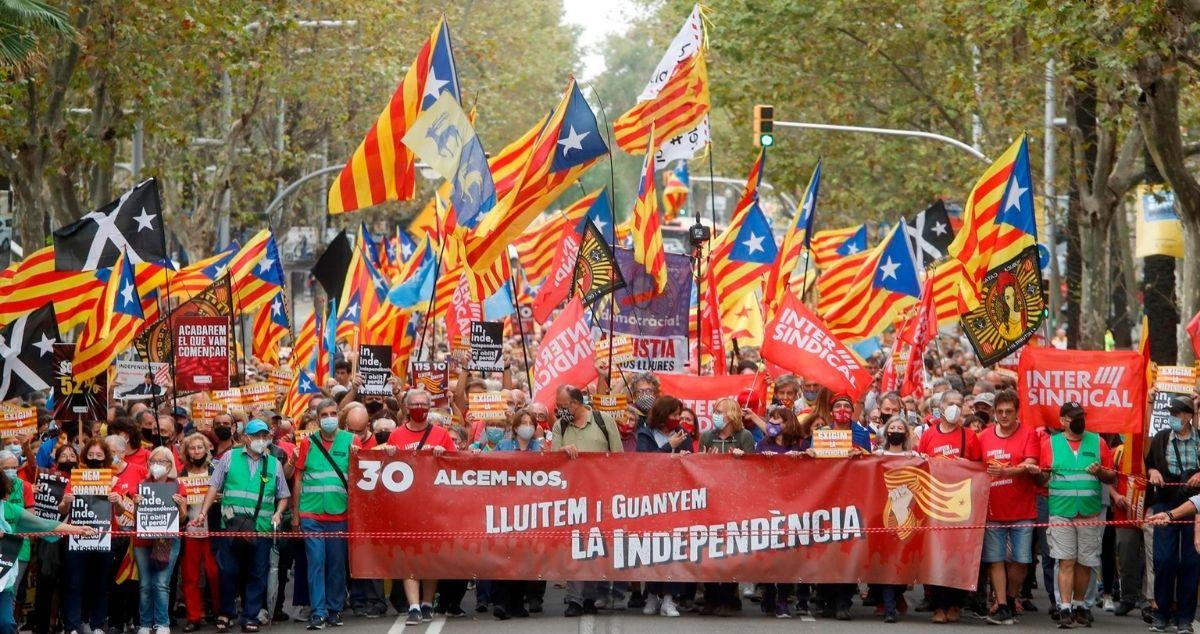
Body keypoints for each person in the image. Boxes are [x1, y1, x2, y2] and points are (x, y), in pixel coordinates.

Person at [192, 419, 290, 633]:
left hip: (261, 528)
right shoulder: (229, 457)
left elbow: (283, 496)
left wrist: (278, 512)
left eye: (264, 436)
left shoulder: (273, 463)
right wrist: (203, 513)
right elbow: (214, 486)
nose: (261, 440)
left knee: (257, 573)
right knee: (228, 572)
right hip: (232, 527)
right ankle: (226, 613)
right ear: (246, 437)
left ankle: (250, 616)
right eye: (256, 436)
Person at [1038, 402, 1117, 628]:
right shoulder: (1050, 444)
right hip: (1061, 511)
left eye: (1081, 416)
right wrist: (1038, 474)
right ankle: (1065, 608)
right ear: (1062, 420)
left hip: (1089, 512)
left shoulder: (1098, 442)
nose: (1078, 420)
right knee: (1066, 560)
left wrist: (1100, 471)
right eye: (1073, 417)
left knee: (1086, 562)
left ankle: (1080, 605)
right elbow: (1042, 479)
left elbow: (1112, 476)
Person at [385, 389, 455, 626]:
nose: (419, 407)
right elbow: (387, 471)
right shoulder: (396, 435)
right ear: (406, 407)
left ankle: (427, 603)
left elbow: (456, 467)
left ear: (430, 406)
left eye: (423, 404)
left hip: (434, 507)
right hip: (406, 507)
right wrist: (389, 455)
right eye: (414, 403)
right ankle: (413, 606)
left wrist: (443, 455)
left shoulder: (441, 434)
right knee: (409, 558)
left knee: (430, 559)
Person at [0, 464, 95, 634]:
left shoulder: (10, 510)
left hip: (3, 580)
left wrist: (78, 529)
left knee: (6, 624)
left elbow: (44, 524)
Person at [555, 385, 622, 617]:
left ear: (576, 403)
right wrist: (563, 450)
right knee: (575, 546)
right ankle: (574, 599)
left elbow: (619, 458)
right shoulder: (560, 425)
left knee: (595, 546)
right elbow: (551, 461)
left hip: (600, 496)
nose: (559, 411)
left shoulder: (604, 421)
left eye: (563, 406)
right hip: (571, 497)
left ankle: (590, 598)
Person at [975, 389, 1040, 626]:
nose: (1004, 416)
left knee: (1022, 560)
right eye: (1000, 411)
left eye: (1008, 412)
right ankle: (1002, 604)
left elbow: (1031, 464)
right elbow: (973, 465)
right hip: (993, 509)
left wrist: (1005, 471)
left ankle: (1011, 598)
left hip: (1023, 509)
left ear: (1017, 412)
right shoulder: (983, 436)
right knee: (996, 559)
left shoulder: (1029, 434)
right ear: (994, 412)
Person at [294, 402, 355, 630]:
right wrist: (295, 515)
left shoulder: (351, 441)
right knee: (316, 563)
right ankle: (318, 612)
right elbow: (298, 478)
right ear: (318, 419)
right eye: (324, 415)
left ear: (338, 416)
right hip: (311, 514)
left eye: (332, 414)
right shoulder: (307, 442)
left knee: (337, 565)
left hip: (339, 514)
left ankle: (334, 609)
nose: (329, 418)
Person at [1143, 395, 1200, 632]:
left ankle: (1185, 617)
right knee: (1164, 559)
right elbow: (1149, 462)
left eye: (1177, 413)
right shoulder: (1162, 437)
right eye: (1171, 413)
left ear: (1188, 416)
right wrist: (1154, 471)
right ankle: (1161, 612)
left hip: (1194, 506)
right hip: (1165, 503)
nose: (1172, 417)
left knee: (1191, 561)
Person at [633, 396, 690, 618]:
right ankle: (652, 595)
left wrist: (685, 456)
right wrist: (669, 447)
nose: (677, 419)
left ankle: (669, 599)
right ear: (662, 415)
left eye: (679, 415)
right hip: (650, 501)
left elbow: (690, 464)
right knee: (653, 548)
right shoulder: (646, 435)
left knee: (674, 549)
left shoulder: (683, 435)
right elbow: (644, 463)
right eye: (673, 415)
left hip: (676, 500)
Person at [133, 446, 188, 634]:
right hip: (143, 541)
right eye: (153, 461)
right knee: (145, 584)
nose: (157, 465)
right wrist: (136, 505)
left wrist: (181, 506)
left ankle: (162, 623)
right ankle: (146, 624)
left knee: (161, 583)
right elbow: (136, 519)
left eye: (162, 461)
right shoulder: (142, 484)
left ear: (170, 465)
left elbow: (182, 519)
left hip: (168, 540)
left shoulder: (177, 485)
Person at [874, 416, 916, 622]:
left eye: (900, 428)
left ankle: (897, 596)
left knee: (902, 560)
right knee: (887, 560)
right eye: (893, 427)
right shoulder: (878, 455)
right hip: (883, 514)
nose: (896, 430)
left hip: (907, 514)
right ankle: (889, 606)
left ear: (906, 433)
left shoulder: (914, 456)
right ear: (886, 432)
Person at [179, 433, 220, 632]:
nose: (196, 451)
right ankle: (194, 616)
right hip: (190, 530)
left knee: (215, 573)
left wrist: (221, 497)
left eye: (199, 447)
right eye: (192, 448)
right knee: (190, 576)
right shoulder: (181, 474)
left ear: (206, 449)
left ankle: (219, 611)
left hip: (212, 530)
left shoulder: (215, 471)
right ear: (187, 452)